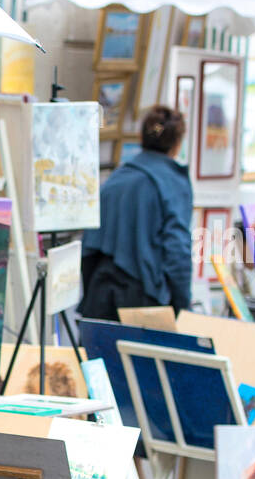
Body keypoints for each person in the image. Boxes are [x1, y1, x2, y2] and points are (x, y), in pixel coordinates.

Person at [80, 105, 194, 321]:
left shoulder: (114, 180)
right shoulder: (173, 183)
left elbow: (89, 246)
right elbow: (177, 250)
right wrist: (182, 307)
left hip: (99, 293)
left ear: (142, 137)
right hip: (144, 301)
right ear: (177, 144)